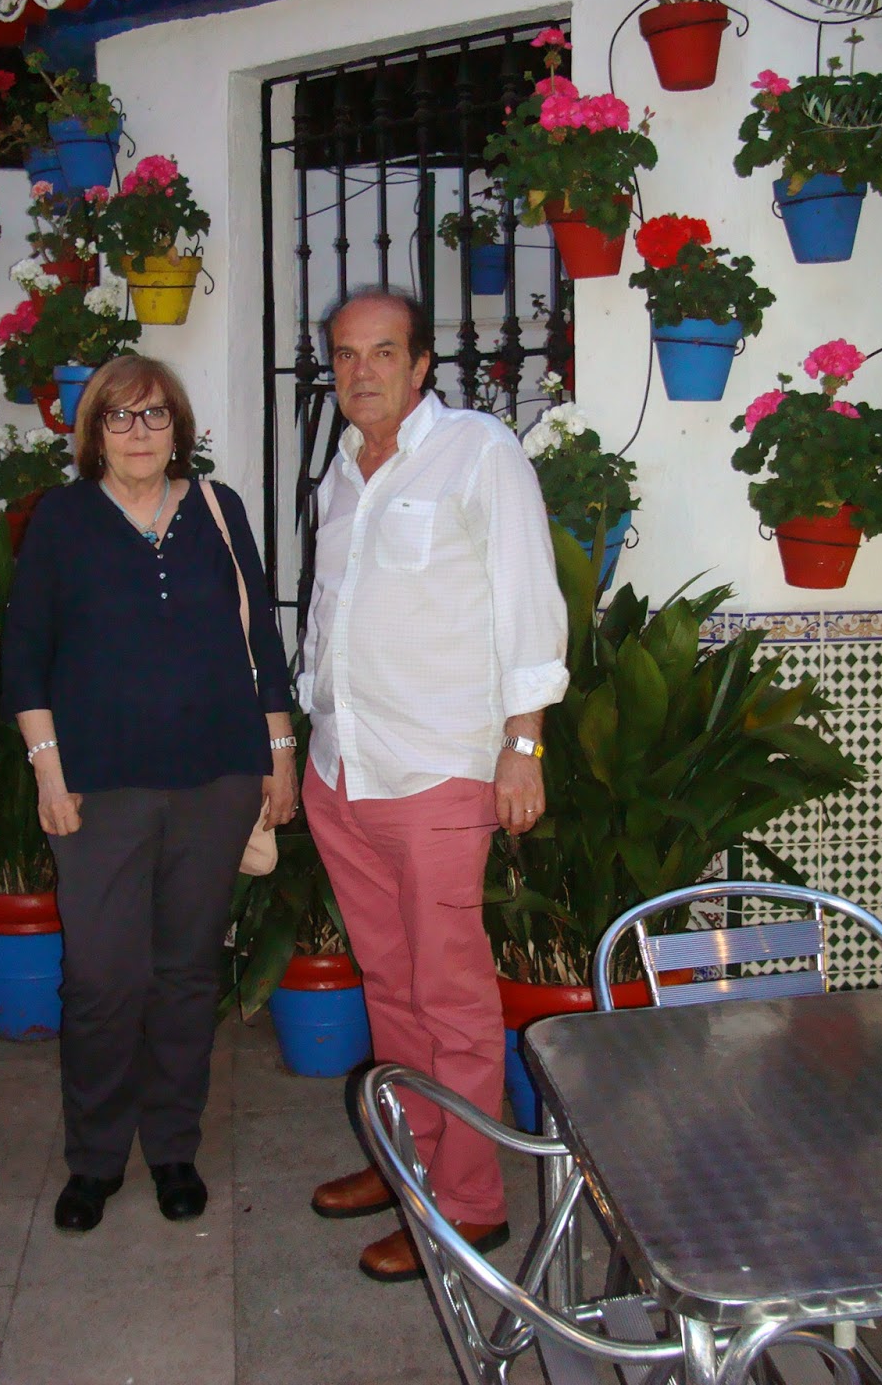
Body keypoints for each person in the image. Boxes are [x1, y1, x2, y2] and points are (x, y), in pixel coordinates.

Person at [299, 288, 568, 1282]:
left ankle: (470, 1205)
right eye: (345, 354)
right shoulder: (340, 469)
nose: (361, 371)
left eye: (383, 352)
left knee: (451, 996)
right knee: (391, 985)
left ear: (421, 366)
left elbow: (527, 599)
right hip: (343, 769)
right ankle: (409, 1161)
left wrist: (524, 742)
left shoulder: (478, 452)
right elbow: (328, 615)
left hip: (437, 770)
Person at [1, 354, 296, 1234]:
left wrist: (279, 754)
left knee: (185, 972)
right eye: (120, 417)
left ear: (179, 428)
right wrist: (49, 773)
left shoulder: (217, 508)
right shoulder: (61, 519)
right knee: (101, 979)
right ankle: (94, 1158)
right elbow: (25, 655)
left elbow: (262, 638)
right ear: (94, 430)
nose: (139, 432)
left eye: (156, 415)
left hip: (217, 779)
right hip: (97, 790)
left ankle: (172, 1147)